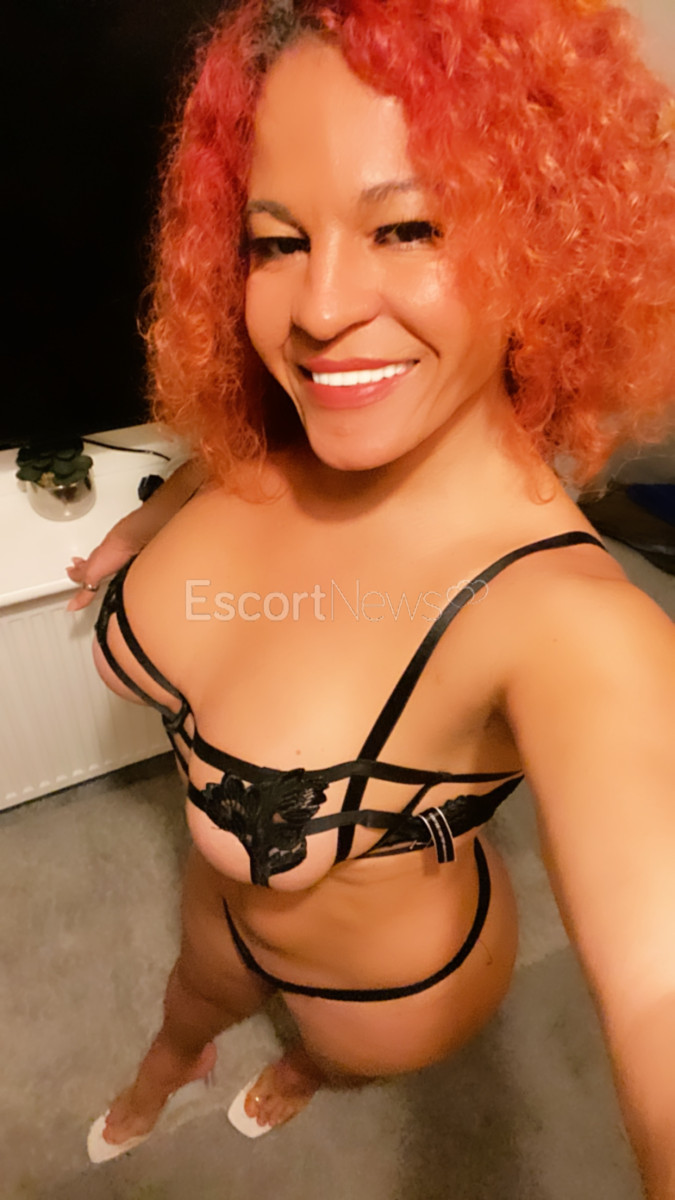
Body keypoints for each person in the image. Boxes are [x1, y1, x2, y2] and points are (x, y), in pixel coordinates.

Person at [71, 0, 675, 1192]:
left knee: (331, 1053)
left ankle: (305, 1071)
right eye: (276, 243)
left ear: (543, 238)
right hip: (216, 913)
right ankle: (163, 1071)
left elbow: (661, 983)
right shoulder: (284, 438)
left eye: (407, 227)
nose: (320, 310)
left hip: (385, 994)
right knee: (186, 1005)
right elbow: (225, 464)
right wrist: (142, 526)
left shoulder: (569, 617)